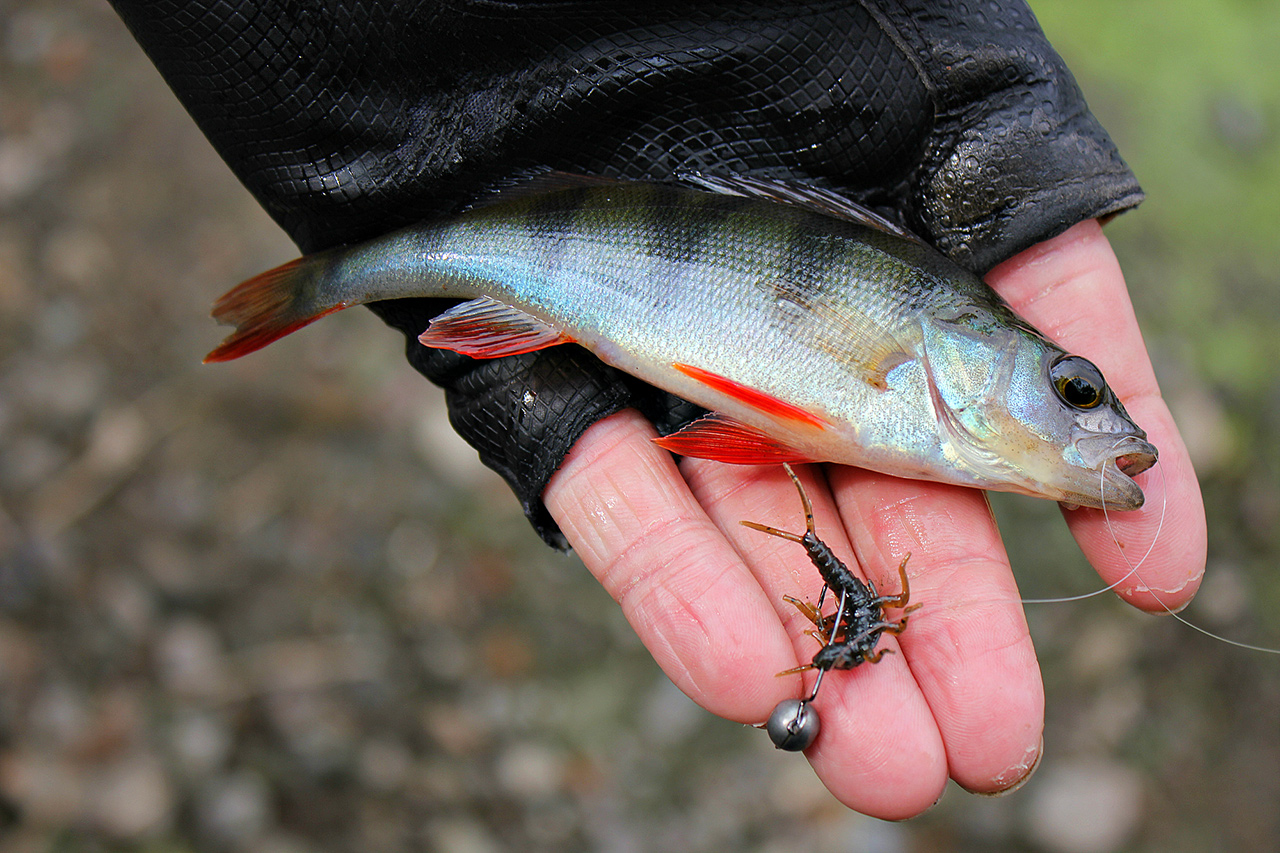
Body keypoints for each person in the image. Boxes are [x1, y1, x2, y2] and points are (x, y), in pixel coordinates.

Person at [108, 0, 1206, 818]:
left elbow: (749, 419)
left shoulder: (924, 404)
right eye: (1075, 391)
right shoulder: (906, 368)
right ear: (976, 353)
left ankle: (342, 273)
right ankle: (337, 273)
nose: (1099, 425)